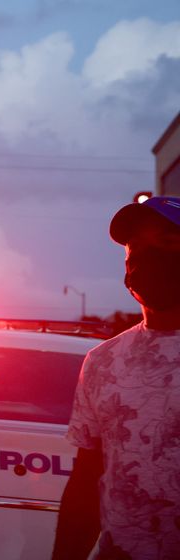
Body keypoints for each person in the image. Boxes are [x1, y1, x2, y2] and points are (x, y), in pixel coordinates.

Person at [52, 196, 180, 560]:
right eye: (135, 248)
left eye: (167, 243)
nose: (147, 257)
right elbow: (88, 480)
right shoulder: (103, 361)